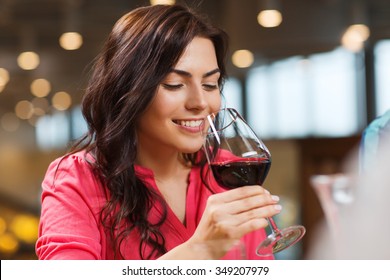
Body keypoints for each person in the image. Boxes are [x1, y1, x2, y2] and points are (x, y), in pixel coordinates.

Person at [35, 4, 281, 260]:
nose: (200, 102)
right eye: (174, 84)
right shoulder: (77, 179)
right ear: (128, 90)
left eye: (210, 84)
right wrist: (200, 250)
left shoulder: (227, 172)